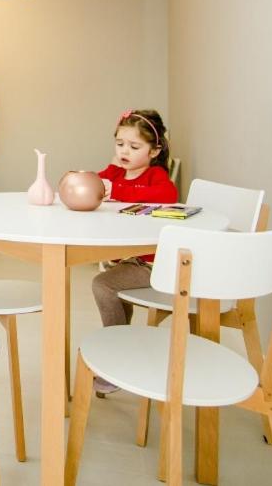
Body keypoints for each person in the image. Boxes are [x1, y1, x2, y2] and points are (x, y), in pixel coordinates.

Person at [91, 109, 177, 394]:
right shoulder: (116, 172)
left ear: (154, 151)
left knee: (103, 285)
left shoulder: (155, 176)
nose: (124, 151)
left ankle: (116, 358)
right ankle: (120, 345)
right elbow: (96, 183)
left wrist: (116, 190)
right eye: (120, 144)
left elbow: (168, 196)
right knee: (113, 287)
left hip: (151, 265)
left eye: (134, 146)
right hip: (126, 259)